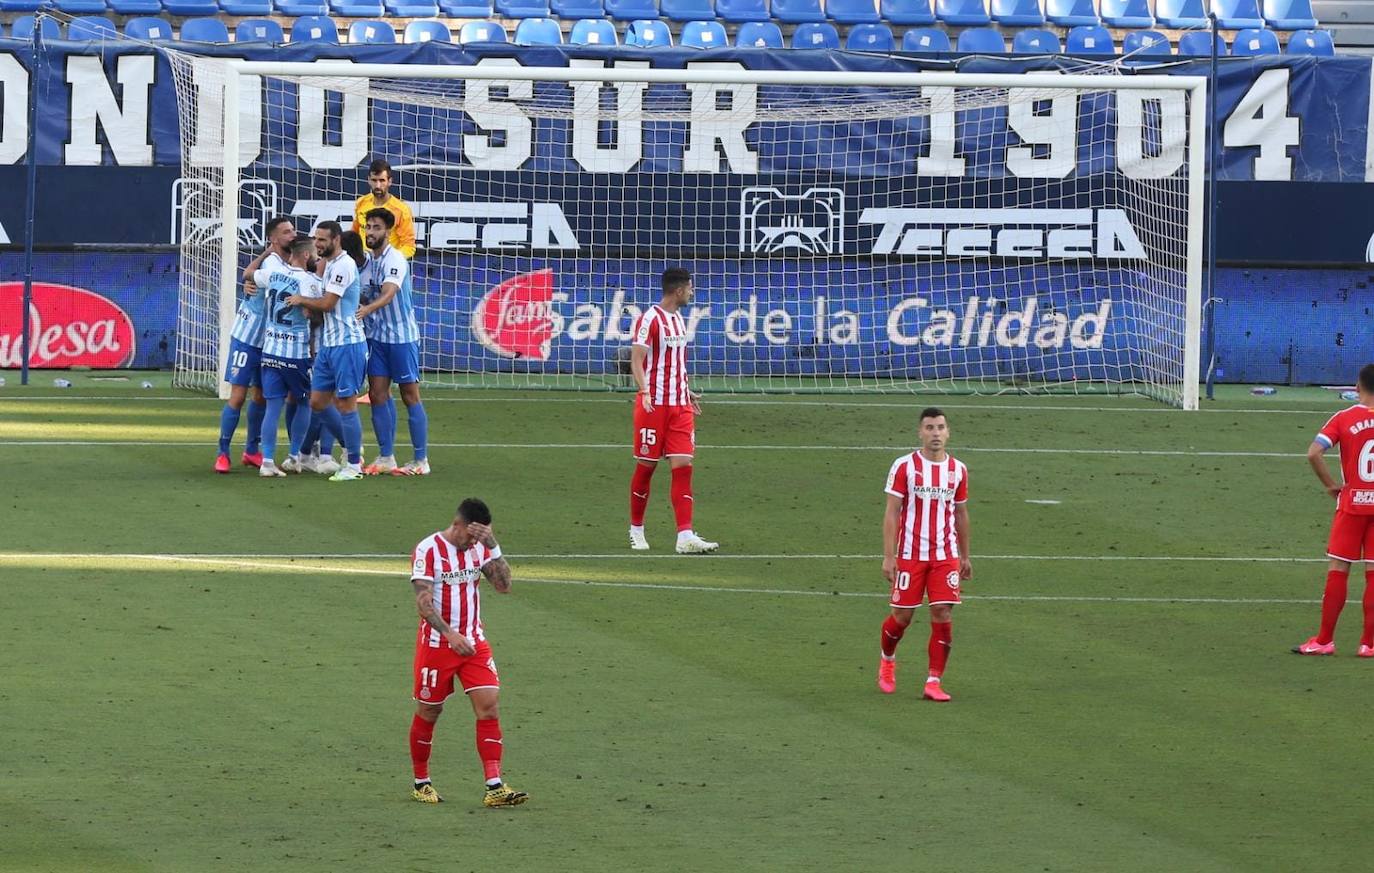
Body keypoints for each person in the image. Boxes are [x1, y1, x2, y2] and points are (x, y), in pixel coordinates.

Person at [408, 498, 528, 808]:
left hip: (474, 643)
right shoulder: (428, 550)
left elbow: (503, 586)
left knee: (489, 706)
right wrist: (449, 633)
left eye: (480, 536)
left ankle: (495, 786)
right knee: (429, 712)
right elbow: (423, 602)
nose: (474, 542)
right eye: (471, 535)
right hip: (437, 645)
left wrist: (494, 546)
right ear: (457, 525)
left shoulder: (479, 547)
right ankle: (421, 782)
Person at [877, 407, 972, 702]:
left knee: (942, 611)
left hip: (945, 554)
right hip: (909, 554)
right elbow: (892, 512)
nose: (935, 433)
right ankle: (887, 660)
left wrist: (965, 557)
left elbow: (961, 513)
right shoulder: (904, 466)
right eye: (929, 428)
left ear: (948, 432)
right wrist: (889, 556)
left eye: (940, 427)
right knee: (902, 616)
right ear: (920, 432)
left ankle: (934, 681)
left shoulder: (958, 470)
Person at [627, 267, 717, 554]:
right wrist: (644, 391)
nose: (692, 292)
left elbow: (676, 363)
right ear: (678, 290)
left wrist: (686, 390)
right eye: (690, 288)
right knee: (646, 467)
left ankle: (685, 536)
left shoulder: (679, 320)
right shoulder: (649, 319)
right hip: (654, 407)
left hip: (680, 406)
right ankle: (636, 528)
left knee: (683, 467)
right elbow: (636, 360)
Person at [1294, 364, 1374, 657]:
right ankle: (1369, 644)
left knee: (1339, 568)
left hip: (1352, 505)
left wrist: (1330, 485)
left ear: (1358, 387)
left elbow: (1314, 452)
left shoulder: (1344, 418)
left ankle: (1324, 640)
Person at [288, 221, 368, 482]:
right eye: (316, 239)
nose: (318, 244)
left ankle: (354, 465)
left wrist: (303, 300)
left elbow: (328, 303)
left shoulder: (344, 265)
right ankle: (351, 446)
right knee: (318, 402)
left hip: (348, 344)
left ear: (337, 240)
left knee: (346, 404)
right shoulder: (330, 265)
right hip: (329, 345)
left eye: (323, 240)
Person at [214, 215, 295, 473]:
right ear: (273, 239)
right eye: (286, 232)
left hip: (270, 342)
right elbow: (250, 275)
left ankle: (251, 450)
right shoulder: (272, 263)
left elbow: (248, 275)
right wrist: (249, 275)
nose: (292, 235)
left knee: (260, 396)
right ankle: (223, 453)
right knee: (238, 396)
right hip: (248, 337)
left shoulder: (288, 262)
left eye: (293, 230)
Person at [357, 208, 429, 476]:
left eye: (376, 228)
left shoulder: (395, 259)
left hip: (401, 337)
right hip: (378, 337)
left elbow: (388, 293)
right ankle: (386, 455)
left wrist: (366, 309)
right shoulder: (368, 261)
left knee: (409, 395)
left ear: (388, 232)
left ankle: (421, 460)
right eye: (368, 227)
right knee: (377, 394)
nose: (371, 232)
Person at [254, 235, 318, 477]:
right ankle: (293, 456)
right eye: (314, 253)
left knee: (273, 407)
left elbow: (249, 275)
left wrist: (248, 285)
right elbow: (316, 312)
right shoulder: (309, 281)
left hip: (270, 351)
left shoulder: (272, 273)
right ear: (305, 255)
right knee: (304, 402)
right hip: (295, 353)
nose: (316, 257)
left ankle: (267, 462)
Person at [352, 158, 416, 259]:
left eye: (382, 181)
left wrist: (391, 260)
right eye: (374, 180)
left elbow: (409, 246)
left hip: (388, 265)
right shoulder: (361, 203)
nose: (378, 185)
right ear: (368, 180)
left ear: (389, 181)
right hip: (364, 265)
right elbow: (354, 234)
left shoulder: (401, 209)